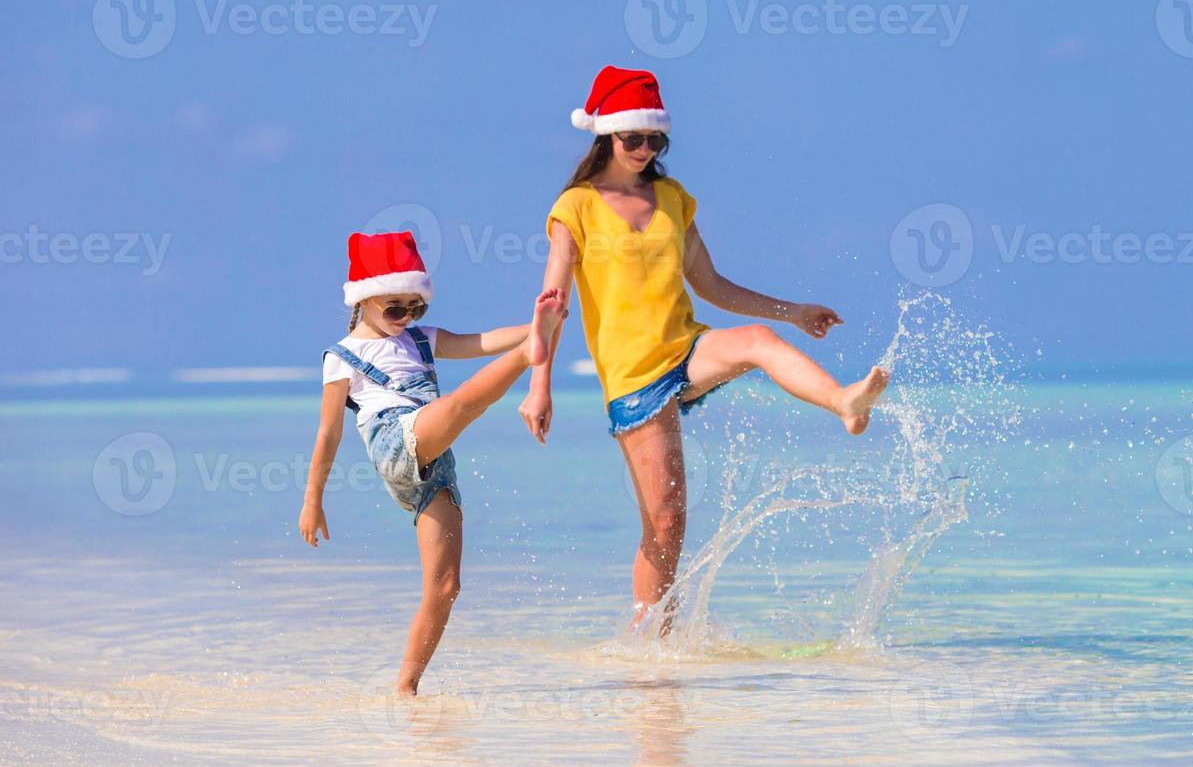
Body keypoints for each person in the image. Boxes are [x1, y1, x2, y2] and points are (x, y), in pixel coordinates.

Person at [519, 66, 889, 624]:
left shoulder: (673, 198)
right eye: (633, 138)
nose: (644, 149)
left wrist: (795, 312)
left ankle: (843, 403)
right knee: (666, 522)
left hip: (685, 349)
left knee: (759, 339)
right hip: (632, 377)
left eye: (655, 139)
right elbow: (552, 305)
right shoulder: (575, 207)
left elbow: (713, 287)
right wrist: (538, 386)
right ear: (606, 136)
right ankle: (652, 646)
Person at [299, 230, 564, 694]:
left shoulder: (420, 339)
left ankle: (405, 687)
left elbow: (480, 342)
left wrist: (536, 324)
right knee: (462, 405)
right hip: (397, 442)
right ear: (364, 301)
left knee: (445, 588)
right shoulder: (342, 357)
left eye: (415, 307)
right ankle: (527, 358)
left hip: (433, 464)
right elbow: (328, 432)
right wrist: (312, 501)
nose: (406, 318)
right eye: (395, 308)